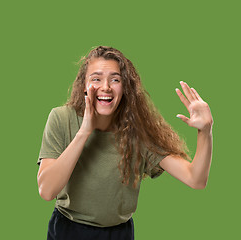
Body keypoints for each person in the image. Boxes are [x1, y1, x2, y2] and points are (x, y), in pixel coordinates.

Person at [36, 46, 213, 240]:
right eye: (96, 78)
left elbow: (195, 179)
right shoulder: (61, 118)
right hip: (68, 230)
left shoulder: (138, 130)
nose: (106, 87)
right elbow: (46, 190)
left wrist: (205, 131)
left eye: (115, 79)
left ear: (125, 87)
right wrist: (85, 131)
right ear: (84, 85)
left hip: (119, 233)